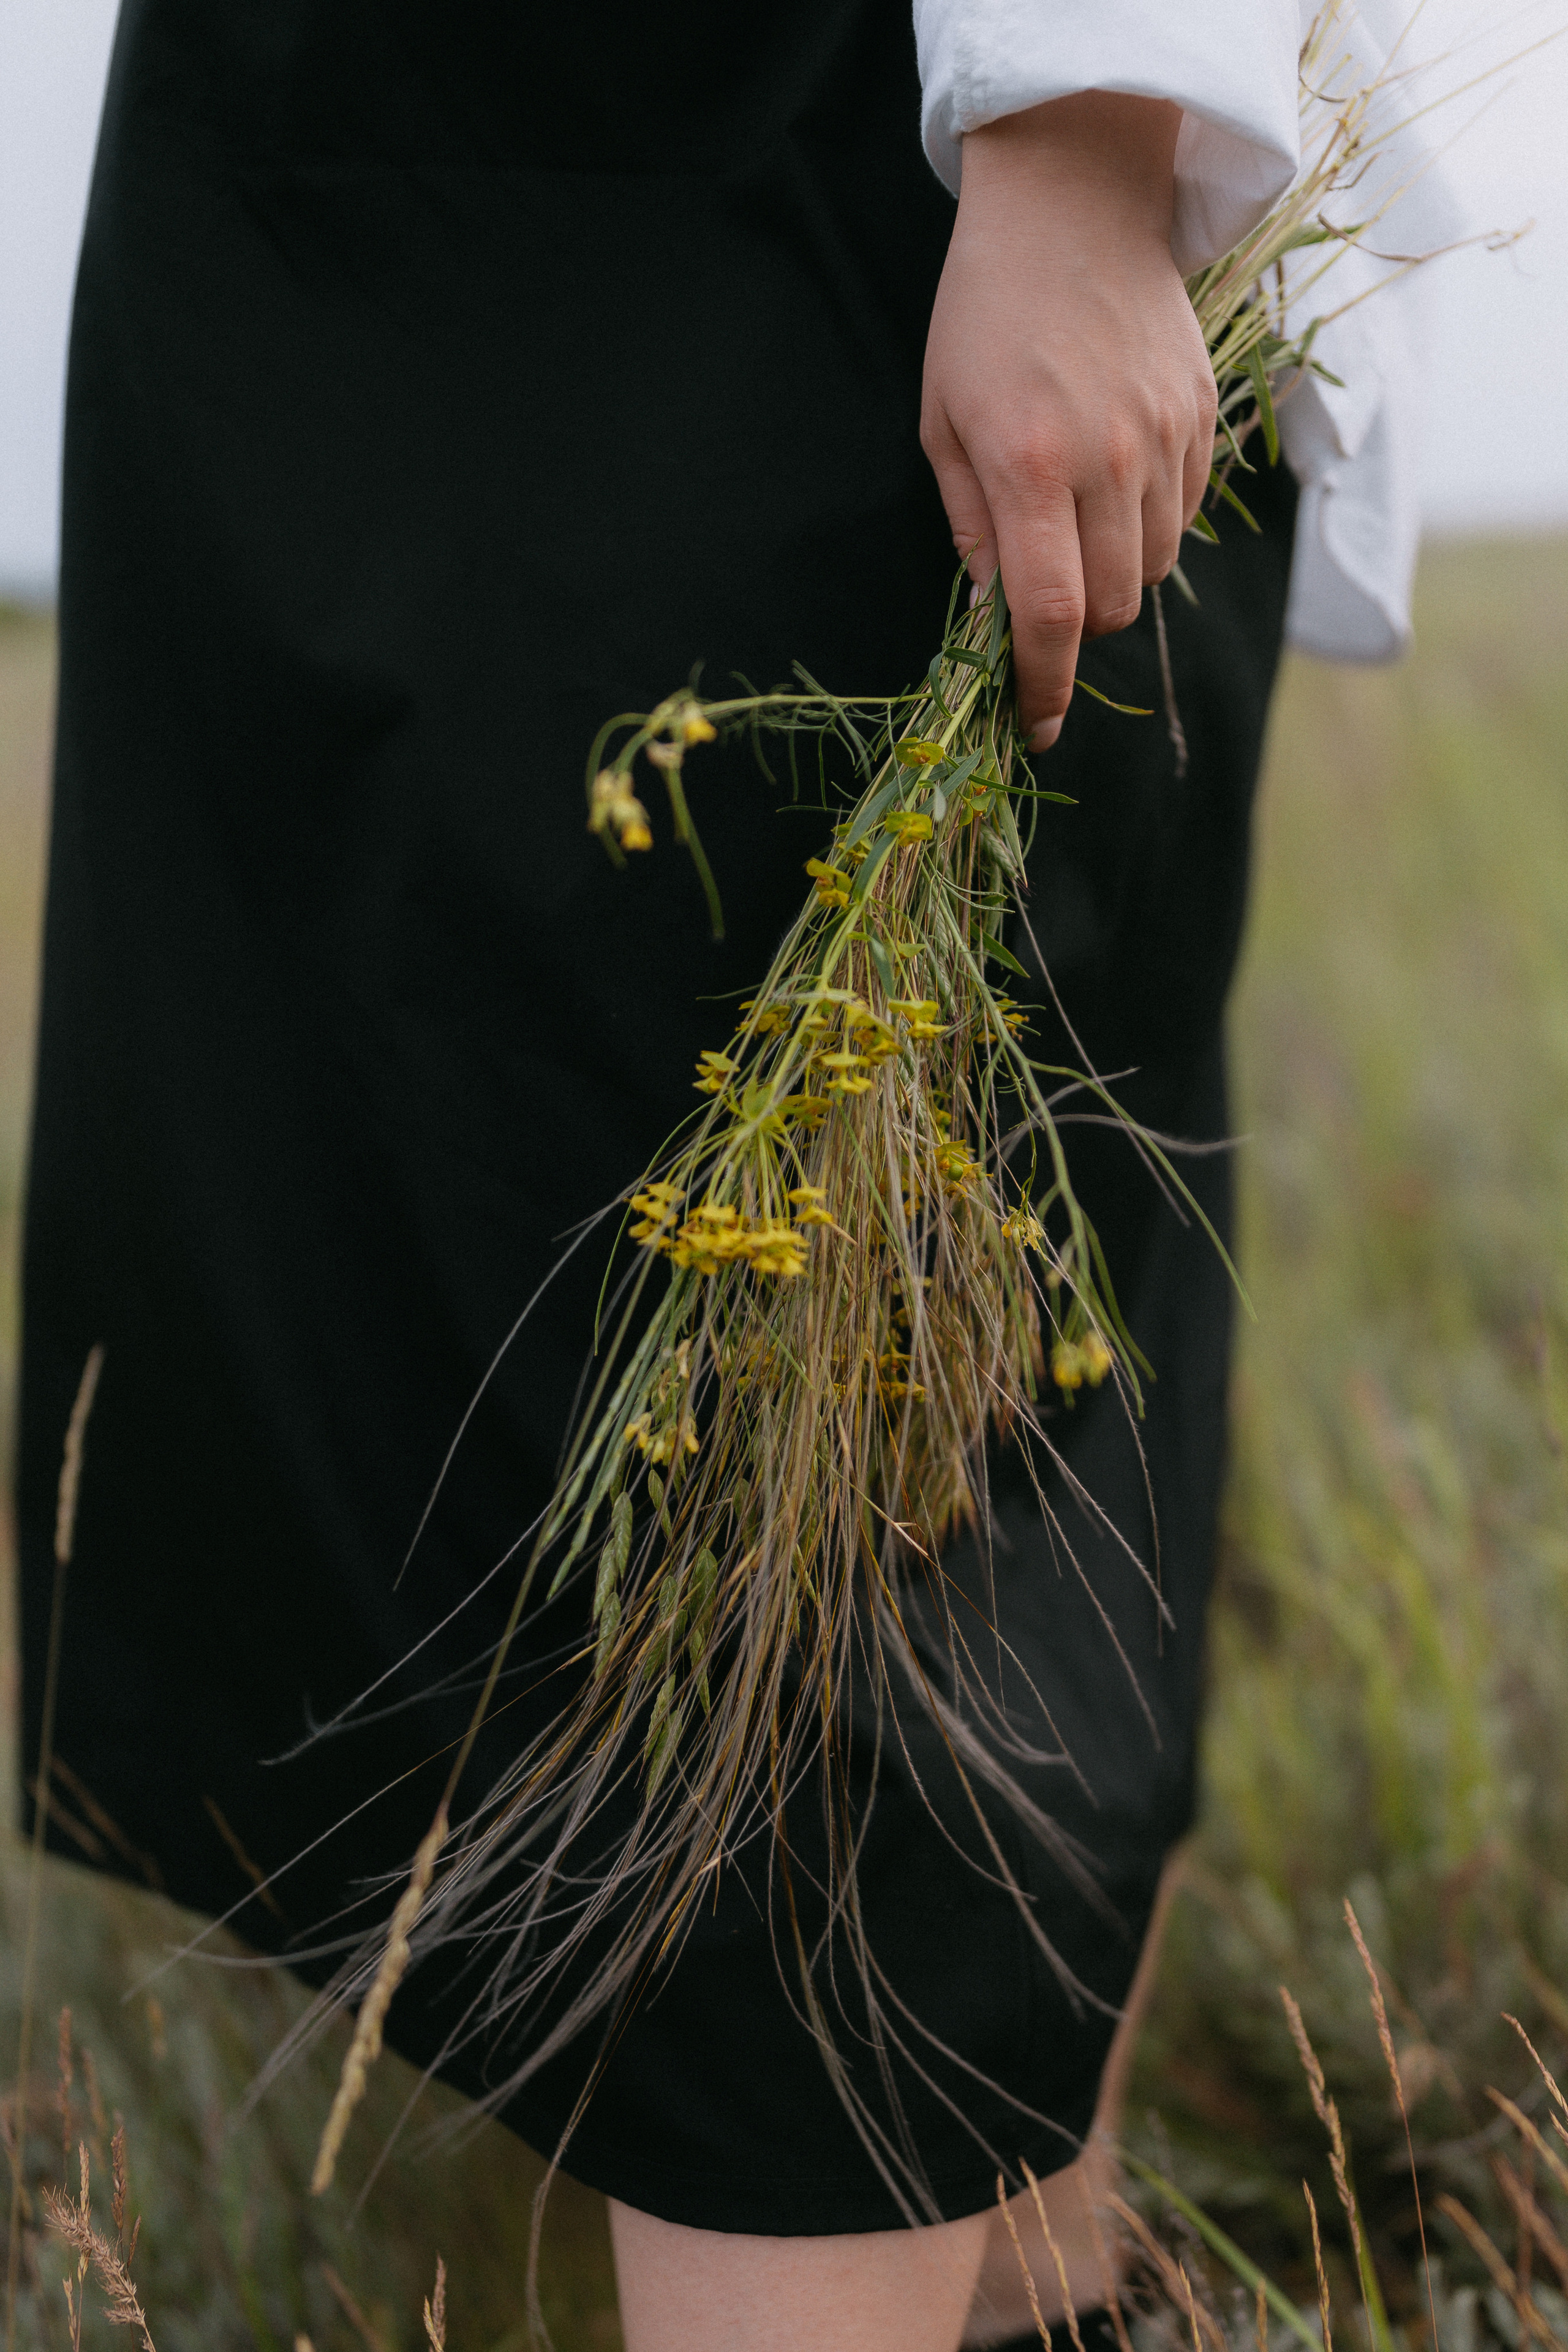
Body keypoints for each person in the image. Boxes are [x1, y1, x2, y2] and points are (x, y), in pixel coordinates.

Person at [15, 4, 1429, 2346]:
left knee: (843, 1468)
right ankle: (1031, 2304)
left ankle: (991, 2293)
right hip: (361, 180)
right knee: (438, 1295)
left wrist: (1082, 130)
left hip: (782, 159)